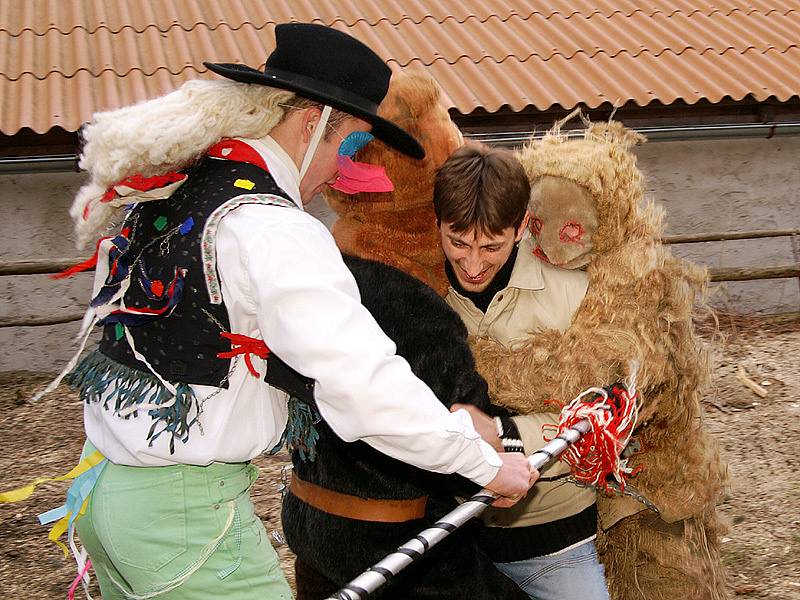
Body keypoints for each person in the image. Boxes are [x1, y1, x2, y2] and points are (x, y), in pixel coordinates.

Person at [54, 24, 534, 600]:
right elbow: (361, 383)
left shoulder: (180, 189)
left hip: (107, 489)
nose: (345, 173)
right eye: (351, 147)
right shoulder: (272, 226)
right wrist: (482, 464)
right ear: (311, 126)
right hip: (180, 518)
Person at [433, 144, 610, 600]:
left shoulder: (576, 291)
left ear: (519, 229)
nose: (472, 264)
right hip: (451, 545)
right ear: (437, 224)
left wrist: (502, 433)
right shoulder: (419, 293)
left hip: (555, 544)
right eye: (457, 242)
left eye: (491, 246)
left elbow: (608, 413)